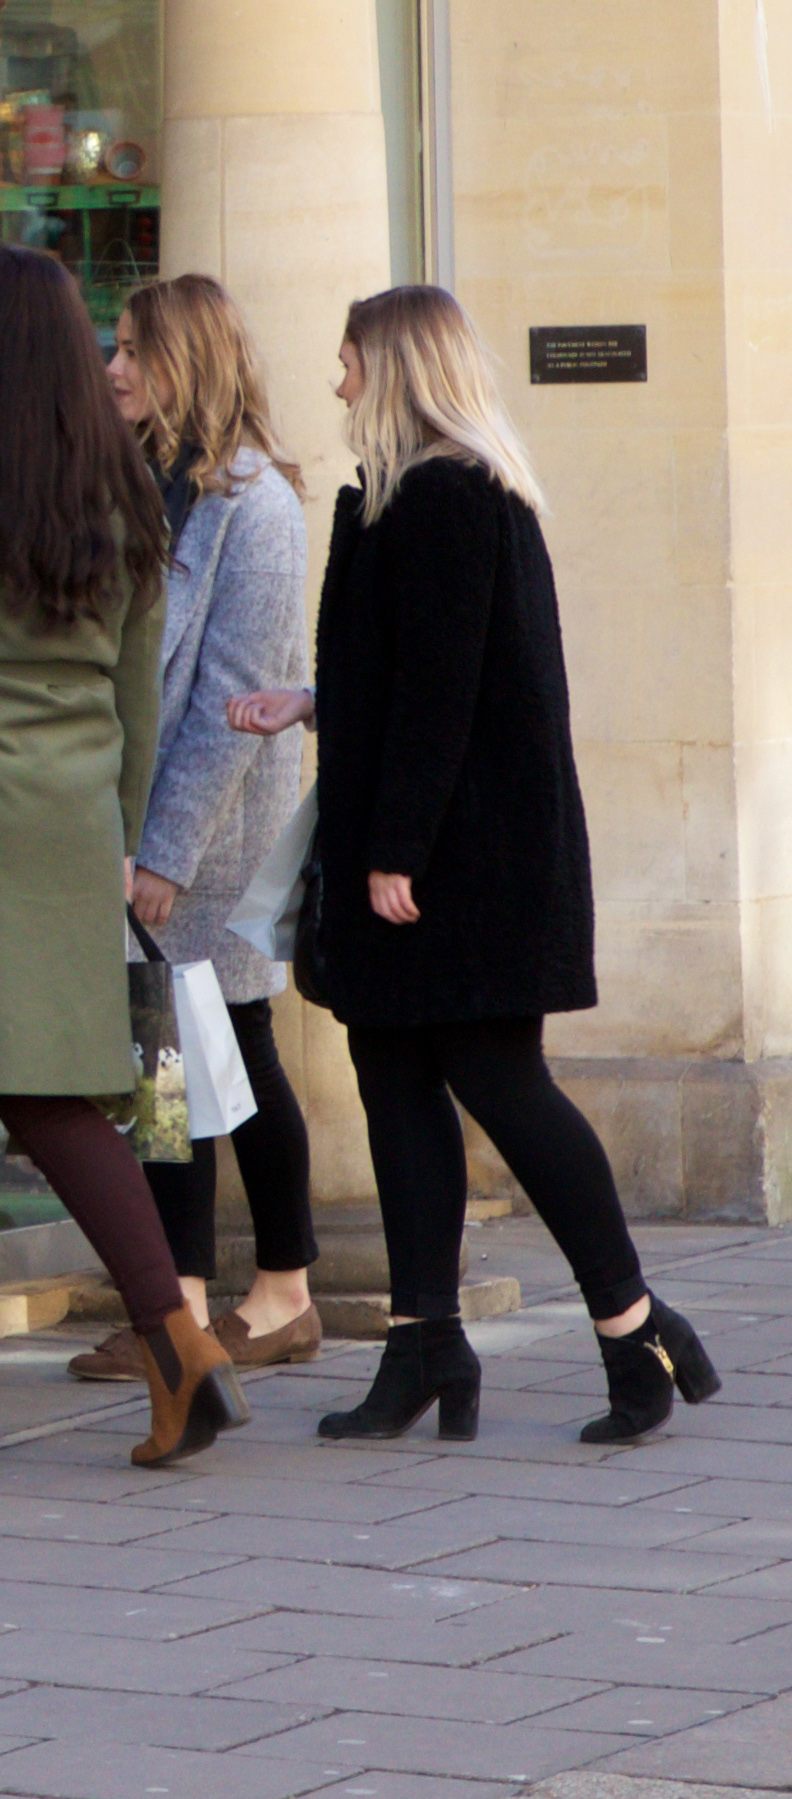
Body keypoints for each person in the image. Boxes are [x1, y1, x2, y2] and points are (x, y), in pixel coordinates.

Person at [229, 287, 719, 1446]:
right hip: (431, 854)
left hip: (457, 865)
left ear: (391, 368)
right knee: (394, 1084)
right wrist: (313, 701)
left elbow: (445, 698)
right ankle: (423, 1345)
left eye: (347, 360)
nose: (336, 379)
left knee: (502, 1087)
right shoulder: (413, 499)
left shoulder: (446, 498)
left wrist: (394, 851)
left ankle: (636, 1326)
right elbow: (414, 675)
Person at [0, 241, 241, 1471]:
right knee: (61, 1092)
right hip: (69, 817)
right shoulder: (125, 493)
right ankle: (177, 1332)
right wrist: (111, 842)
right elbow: (134, 700)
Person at [67, 276, 322, 1387]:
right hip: (150, 820)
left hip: (210, 831)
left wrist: (165, 852)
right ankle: (181, 1305)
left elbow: (236, 696)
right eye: (112, 349)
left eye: (133, 351)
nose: (113, 368)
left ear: (188, 365)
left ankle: (274, 1295)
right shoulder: (142, 484)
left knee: (222, 1056)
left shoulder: (255, 503)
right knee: (170, 1065)